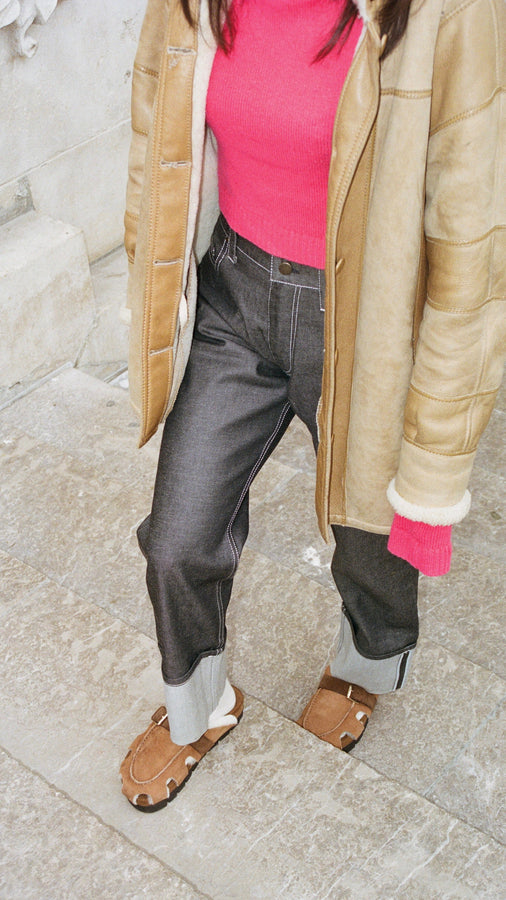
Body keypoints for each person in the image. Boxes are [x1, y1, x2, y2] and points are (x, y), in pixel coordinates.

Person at [119, 0, 505, 811]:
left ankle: (365, 666)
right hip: (233, 295)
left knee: (372, 540)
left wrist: (435, 456)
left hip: (368, 319)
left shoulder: (449, 12)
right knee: (178, 541)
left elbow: (474, 245)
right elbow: (155, 132)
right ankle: (201, 703)